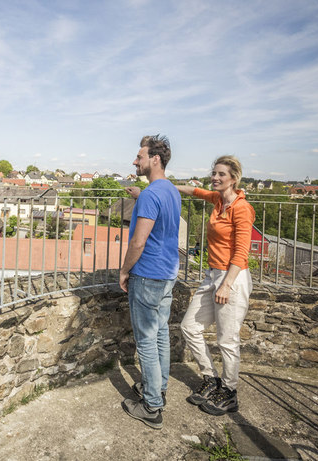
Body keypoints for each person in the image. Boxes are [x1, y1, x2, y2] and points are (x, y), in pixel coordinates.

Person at [176, 155, 255, 416]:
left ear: (234, 178)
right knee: (189, 327)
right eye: (214, 173)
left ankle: (230, 392)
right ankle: (212, 379)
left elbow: (242, 251)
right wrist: (164, 185)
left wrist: (226, 285)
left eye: (221, 174)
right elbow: (194, 190)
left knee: (227, 340)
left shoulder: (242, 209)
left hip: (232, 278)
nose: (215, 178)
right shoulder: (218, 199)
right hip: (213, 275)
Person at [119, 135, 181, 430]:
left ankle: (152, 406)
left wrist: (123, 271)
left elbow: (139, 241)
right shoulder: (169, 190)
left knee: (146, 340)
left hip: (147, 274)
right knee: (160, 335)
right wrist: (140, 196)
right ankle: (160, 389)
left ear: (154, 159)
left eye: (139, 156)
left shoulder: (150, 195)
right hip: (168, 273)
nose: (135, 161)